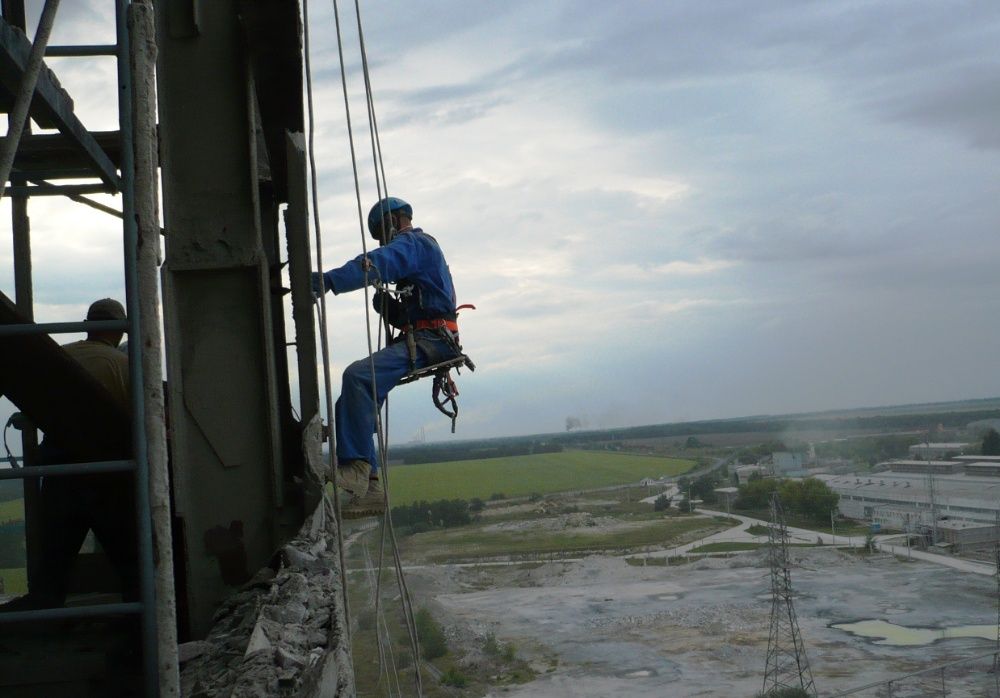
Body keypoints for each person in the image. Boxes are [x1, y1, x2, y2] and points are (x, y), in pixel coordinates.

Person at [312, 197, 463, 518]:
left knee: (357, 377)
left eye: (382, 232)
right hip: (428, 336)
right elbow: (424, 305)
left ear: (395, 220)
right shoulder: (424, 252)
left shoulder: (416, 243)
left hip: (431, 340)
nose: (384, 240)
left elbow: (379, 262)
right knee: (352, 401)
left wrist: (330, 280)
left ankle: (356, 469)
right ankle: (371, 488)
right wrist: (391, 309)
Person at [1, 298, 136, 611]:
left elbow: (35, 406)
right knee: (128, 558)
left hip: (60, 470)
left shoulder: (62, 357)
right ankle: (136, 617)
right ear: (120, 330)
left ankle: (43, 611)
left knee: (55, 559)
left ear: (87, 325)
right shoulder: (124, 365)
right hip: (109, 474)